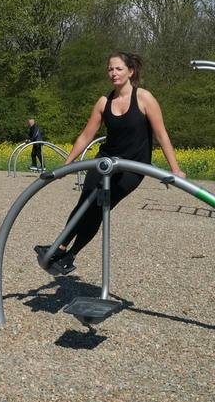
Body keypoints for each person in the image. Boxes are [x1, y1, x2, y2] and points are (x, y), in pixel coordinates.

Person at [36, 52, 185, 275]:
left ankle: (70, 254)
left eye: (118, 69)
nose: (113, 73)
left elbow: (161, 134)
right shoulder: (103, 102)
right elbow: (85, 136)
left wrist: (175, 170)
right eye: (110, 69)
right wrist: (65, 166)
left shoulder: (144, 98)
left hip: (131, 168)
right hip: (104, 162)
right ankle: (60, 248)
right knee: (84, 202)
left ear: (130, 72)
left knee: (98, 210)